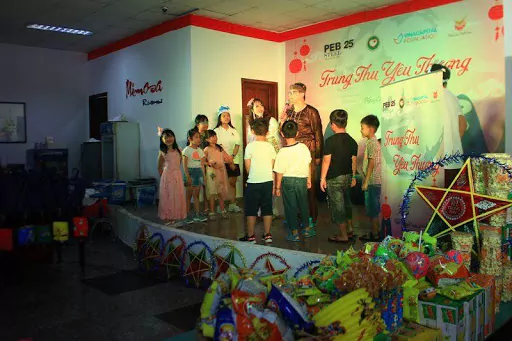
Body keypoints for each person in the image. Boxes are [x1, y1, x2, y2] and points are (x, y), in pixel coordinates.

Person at [281, 82, 323, 229]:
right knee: (293, 183)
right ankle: (295, 216)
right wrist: (282, 118)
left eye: (292, 93)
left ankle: (310, 217)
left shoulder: (312, 111)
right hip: (292, 150)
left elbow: (318, 134)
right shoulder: (289, 111)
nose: (290, 96)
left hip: (307, 151)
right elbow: (284, 131)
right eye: (289, 93)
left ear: (301, 94)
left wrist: (318, 155)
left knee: (307, 185)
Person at [319, 110, 358, 243]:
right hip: (347, 177)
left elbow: (326, 161)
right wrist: (353, 177)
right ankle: (350, 229)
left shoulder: (330, 141)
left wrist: (322, 178)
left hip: (334, 178)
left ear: (332, 124)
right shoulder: (352, 141)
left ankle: (343, 235)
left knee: (338, 207)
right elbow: (354, 161)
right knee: (347, 203)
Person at [274, 120, 312, 242]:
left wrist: (277, 187)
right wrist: (309, 179)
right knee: (303, 205)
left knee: (290, 206)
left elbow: (279, 171)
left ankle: (294, 233)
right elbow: (308, 164)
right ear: (297, 133)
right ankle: (306, 229)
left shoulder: (282, 152)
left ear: (282, 134)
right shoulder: (303, 147)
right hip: (302, 180)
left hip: (288, 181)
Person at [239, 118, 276, 244]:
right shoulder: (270, 147)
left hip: (254, 182)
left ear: (253, 131)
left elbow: (247, 167)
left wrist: (252, 176)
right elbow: (272, 166)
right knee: (267, 208)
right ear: (267, 132)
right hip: (267, 181)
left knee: (251, 209)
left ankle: (250, 236)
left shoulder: (250, 147)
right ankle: (267, 235)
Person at [430, 64, 467, 187]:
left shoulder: (431, 98)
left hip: (437, 162)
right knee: (450, 201)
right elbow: (463, 124)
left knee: (436, 202)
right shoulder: (452, 97)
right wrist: (452, 142)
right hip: (453, 159)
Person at [246, 98, 281, 218]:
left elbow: (274, 137)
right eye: (256, 106)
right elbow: (249, 140)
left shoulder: (271, 120)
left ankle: (272, 207)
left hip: (270, 152)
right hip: (257, 154)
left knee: (271, 178)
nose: (260, 108)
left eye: (261, 105)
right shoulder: (250, 124)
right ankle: (260, 208)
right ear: (252, 110)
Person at [214, 106, 243, 213]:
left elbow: (237, 144)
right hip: (222, 160)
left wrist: (232, 157)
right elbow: (219, 146)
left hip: (234, 159)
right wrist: (228, 159)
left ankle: (232, 204)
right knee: (221, 183)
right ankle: (220, 205)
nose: (226, 117)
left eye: (228, 115)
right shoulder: (216, 131)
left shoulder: (234, 131)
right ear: (219, 118)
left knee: (232, 182)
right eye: (224, 116)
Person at [157, 127, 187, 225]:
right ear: (162, 140)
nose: (169, 139)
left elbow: (179, 163)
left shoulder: (179, 150)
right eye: (166, 138)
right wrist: (164, 178)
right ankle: (167, 217)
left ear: (174, 137)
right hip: (167, 177)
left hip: (177, 176)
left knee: (177, 196)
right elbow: (159, 167)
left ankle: (175, 216)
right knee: (167, 197)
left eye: (170, 136)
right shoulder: (162, 152)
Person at [359, 115, 382, 242]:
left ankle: (375, 234)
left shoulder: (373, 143)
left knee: (372, 209)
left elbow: (371, 163)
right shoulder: (372, 142)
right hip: (373, 181)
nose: (361, 130)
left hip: (373, 181)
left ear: (371, 129)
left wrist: (366, 181)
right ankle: (375, 232)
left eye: (362, 128)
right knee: (372, 208)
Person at [204, 130, 230, 220]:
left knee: (220, 191)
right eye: (212, 136)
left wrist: (230, 161)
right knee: (212, 192)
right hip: (212, 172)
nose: (214, 138)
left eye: (215, 136)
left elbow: (227, 157)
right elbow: (203, 161)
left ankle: (223, 210)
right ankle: (211, 211)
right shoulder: (206, 149)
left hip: (220, 171)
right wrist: (211, 164)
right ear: (207, 139)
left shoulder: (219, 148)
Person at [182, 129, 208, 224]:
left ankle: (197, 214)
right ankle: (187, 215)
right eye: (196, 137)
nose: (198, 139)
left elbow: (202, 165)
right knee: (188, 196)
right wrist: (187, 176)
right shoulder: (186, 150)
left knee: (196, 195)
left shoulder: (200, 151)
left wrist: (204, 177)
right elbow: (184, 165)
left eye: (199, 137)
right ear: (190, 139)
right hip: (190, 172)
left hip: (198, 173)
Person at [192, 114, 210, 214]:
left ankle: (206, 207)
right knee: (197, 187)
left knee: (206, 186)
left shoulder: (207, 134)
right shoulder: (193, 134)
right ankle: (197, 210)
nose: (205, 124)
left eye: (207, 122)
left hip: (207, 163)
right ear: (197, 124)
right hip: (196, 164)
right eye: (203, 122)